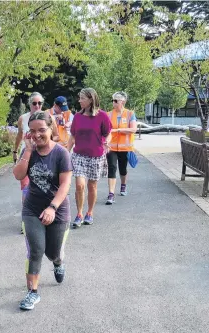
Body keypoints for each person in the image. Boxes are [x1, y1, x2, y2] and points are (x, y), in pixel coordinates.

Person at [13, 110, 72, 310]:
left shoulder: (61, 153)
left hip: (58, 210)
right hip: (32, 210)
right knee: (36, 250)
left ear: (51, 129)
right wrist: (27, 151)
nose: (37, 135)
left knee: (52, 252)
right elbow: (18, 175)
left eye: (41, 130)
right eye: (32, 131)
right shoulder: (29, 151)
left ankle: (58, 262)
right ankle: (32, 293)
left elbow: (65, 185)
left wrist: (53, 207)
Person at [66, 88, 112, 228]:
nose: (79, 101)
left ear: (91, 99)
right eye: (79, 98)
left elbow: (109, 133)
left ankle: (89, 213)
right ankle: (79, 214)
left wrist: (106, 142)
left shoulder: (102, 116)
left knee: (92, 186)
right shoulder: (78, 117)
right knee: (80, 185)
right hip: (79, 155)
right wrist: (65, 152)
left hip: (96, 156)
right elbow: (73, 136)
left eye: (82, 98)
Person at [13, 92, 53, 234]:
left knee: (44, 187)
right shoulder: (23, 118)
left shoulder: (48, 118)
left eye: (40, 103)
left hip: (44, 156)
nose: (37, 106)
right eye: (34, 103)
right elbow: (19, 135)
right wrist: (15, 151)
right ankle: (26, 220)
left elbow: (53, 136)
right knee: (25, 187)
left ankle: (46, 215)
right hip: (27, 154)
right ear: (29, 104)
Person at [105, 91, 137, 204]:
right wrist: (106, 142)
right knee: (112, 168)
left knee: (123, 169)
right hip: (111, 147)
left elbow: (133, 129)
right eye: (112, 100)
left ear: (122, 102)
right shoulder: (108, 114)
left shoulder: (130, 114)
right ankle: (111, 194)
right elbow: (107, 131)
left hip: (125, 148)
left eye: (115, 101)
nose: (113, 103)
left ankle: (123, 185)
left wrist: (118, 130)